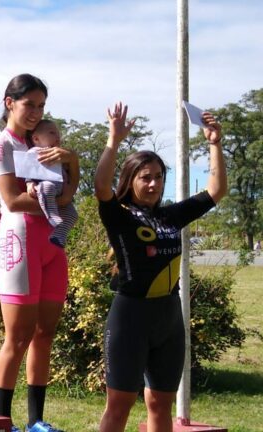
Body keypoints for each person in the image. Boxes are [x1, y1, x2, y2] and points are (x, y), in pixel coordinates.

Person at [94, 103, 227, 432]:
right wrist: (113, 141)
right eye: (145, 178)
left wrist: (215, 144)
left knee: (160, 405)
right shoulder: (119, 215)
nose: (153, 184)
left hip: (168, 318)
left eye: (158, 177)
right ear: (130, 180)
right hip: (130, 318)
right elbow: (101, 186)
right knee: (119, 406)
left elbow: (216, 191)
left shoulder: (170, 216)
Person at [0, 74, 77, 432]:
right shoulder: (2, 145)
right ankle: (2, 423)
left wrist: (72, 161)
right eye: (29, 105)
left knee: (45, 334)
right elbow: (13, 200)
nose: (36, 112)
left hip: (52, 245)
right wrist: (57, 200)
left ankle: (36, 421)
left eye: (41, 106)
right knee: (18, 337)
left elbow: (69, 191)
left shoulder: (44, 141)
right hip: (19, 242)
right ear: (10, 103)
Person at [24, 119, 79, 248]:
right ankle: (52, 215)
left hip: (62, 191)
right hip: (46, 185)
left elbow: (70, 172)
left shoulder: (60, 153)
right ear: (36, 139)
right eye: (52, 133)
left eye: (58, 134)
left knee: (72, 215)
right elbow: (28, 167)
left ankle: (59, 235)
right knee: (47, 187)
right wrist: (29, 183)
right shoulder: (35, 151)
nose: (58, 137)